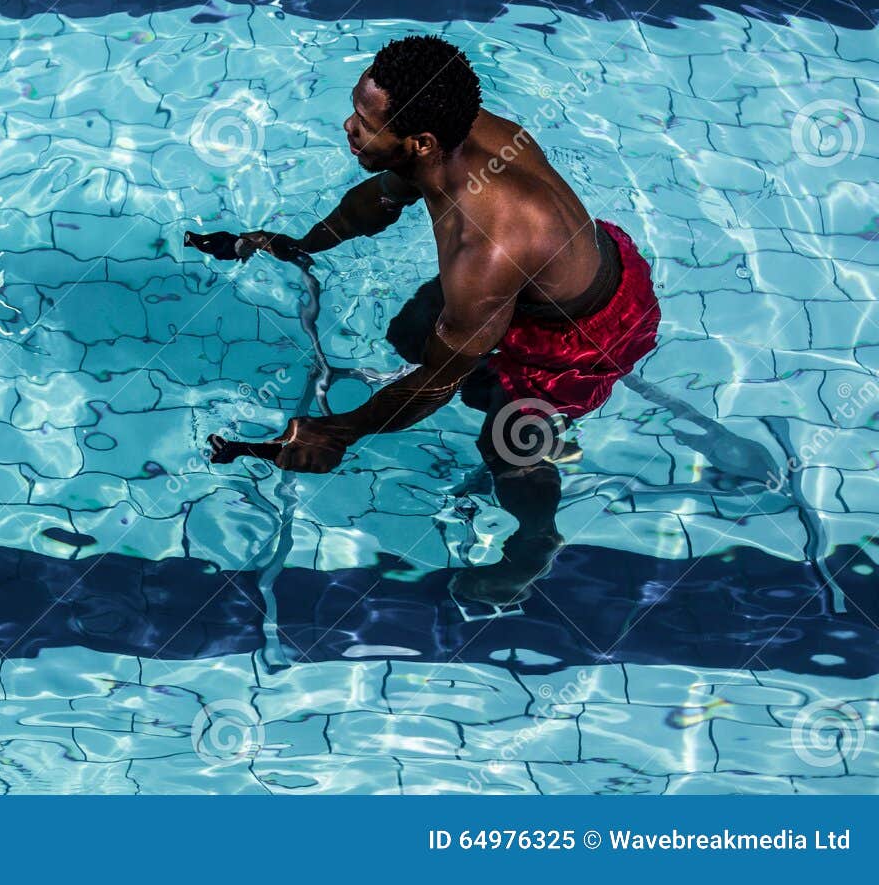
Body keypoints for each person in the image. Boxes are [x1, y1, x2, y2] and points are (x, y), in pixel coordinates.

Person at [217, 35, 660, 603]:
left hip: (582, 337)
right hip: (562, 272)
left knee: (507, 443)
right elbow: (382, 196)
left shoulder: (483, 251)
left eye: (363, 121)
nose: (349, 127)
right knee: (407, 331)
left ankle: (535, 541)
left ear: (419, 142)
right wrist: (303, 244)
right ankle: (495, 372)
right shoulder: (453, 131)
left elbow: (434, 384)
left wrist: (340, 430)